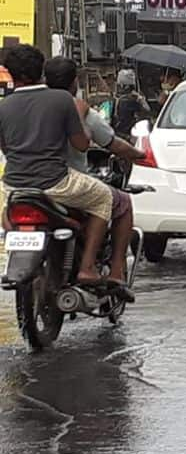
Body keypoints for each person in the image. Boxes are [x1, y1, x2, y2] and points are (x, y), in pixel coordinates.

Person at [0, 46, 128, 296]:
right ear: (41, 72)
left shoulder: (4, 106)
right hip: (57, 183)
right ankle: (88, 267)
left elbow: (4, 147)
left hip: (13, 185)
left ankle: (14, 256)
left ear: (10, 73)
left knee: (8, 216)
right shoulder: (61, 100)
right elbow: (81, 144)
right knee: (105, 198)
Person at [44, 57, 144, 300]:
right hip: (65, 182)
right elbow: (103, 142)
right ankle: (111, 269)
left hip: (24, 182)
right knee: (118, 200)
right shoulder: (77, 108)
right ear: (74, 82)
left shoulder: (28, 106)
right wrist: (140, 155)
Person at [113, 68, 150, 140]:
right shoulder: (130, 100)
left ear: (124, 86)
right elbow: (147, 111)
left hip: (122, 134)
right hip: (126, 135)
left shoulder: (127, 100)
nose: (119, 87)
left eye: (120, 85)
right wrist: (141, 99)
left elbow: (146, 111)